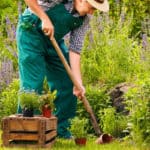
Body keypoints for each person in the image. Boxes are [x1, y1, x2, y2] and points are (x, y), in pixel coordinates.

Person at [16, 0, 109, 139]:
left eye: (95, 10)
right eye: (91, 8)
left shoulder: (84, 20)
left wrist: (78, 83)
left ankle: (59, 130)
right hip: (31, 32)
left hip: (53, 40)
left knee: (68, 81)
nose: (91, 12)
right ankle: (27, 133)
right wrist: (44, 18)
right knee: (33, 84)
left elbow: (75, 51)